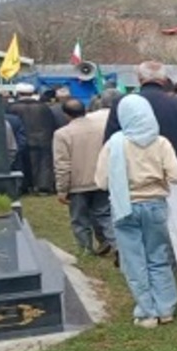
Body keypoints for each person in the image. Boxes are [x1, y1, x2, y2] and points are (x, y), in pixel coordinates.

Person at [95, 95, 177, 329]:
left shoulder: (114, 144)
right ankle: (166, 308)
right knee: (159, 257)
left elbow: (101, 181)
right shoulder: (161, 143)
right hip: (155, 205)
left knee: (134, 261)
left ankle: (147, 312)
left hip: (125, 207)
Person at [53, 98, 115, 256]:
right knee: (105, 215)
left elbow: (62, 164)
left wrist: (62, 189)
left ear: (66, 115)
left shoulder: (62, 134)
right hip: (101, 179)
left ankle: (86, 249)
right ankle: (116, 243)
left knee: (79, 219)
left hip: (77, 184)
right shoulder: (102, 129)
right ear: (86, 110)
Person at [105, 62, 177, 164]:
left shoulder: (122, 103)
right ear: (164, 80)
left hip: (131, 171)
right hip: (170, 170)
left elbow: (111, 141)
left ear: (139, 78)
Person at [8, 83, 58, 194]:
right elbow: (51, 123)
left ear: (18, 93)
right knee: (44, 164)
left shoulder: (13, 107)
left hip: (23, 139)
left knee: (24, 164)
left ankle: (26, 186)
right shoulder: (43, 107)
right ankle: (43, 186)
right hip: (43, 138)